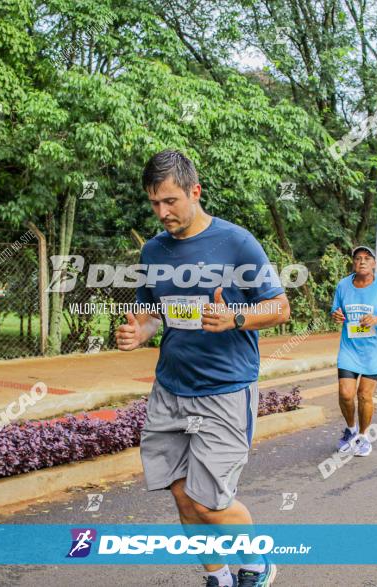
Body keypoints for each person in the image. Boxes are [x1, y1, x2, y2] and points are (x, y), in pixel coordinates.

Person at [117, 150, 289, 586]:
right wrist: (141, 332)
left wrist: (236, 317)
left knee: (209, 502)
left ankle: (258, 562)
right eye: (154, 203)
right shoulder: (154, 250)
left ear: (195, 191)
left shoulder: (236, 242)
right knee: (180, 494)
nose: (162, 212)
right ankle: (220, 576)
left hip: (224, 389)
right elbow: (152, 313)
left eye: (171, 201)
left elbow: (280, 307)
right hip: (171, 388)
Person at [330, 246, 377, 457]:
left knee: (364, 395)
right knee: (345, 394)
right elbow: (336, 310)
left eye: (366, 258)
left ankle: (363, 437)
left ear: (373, 264)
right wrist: (336, 315)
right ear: (353, 263)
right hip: (349, 348)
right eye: (357, 258)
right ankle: (351, 430)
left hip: (374, 350)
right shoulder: (343, 285)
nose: (362, 261)